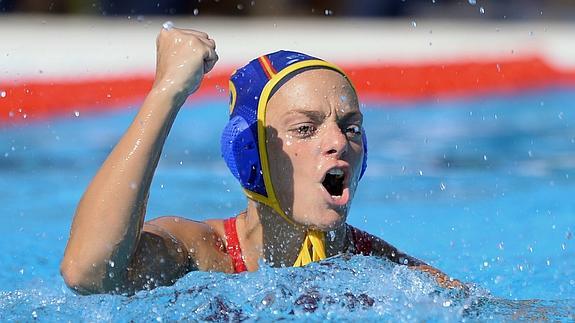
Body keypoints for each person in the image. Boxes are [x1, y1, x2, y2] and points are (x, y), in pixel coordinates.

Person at [60, 25, 464, 295]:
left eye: (351, 127)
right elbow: (88, 273)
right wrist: (166, 92)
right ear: (250, 155)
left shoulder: (383, 271)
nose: (338, 141)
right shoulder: (203, 255)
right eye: (305, 129)